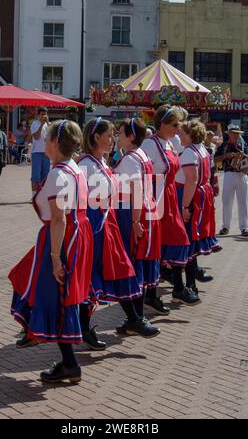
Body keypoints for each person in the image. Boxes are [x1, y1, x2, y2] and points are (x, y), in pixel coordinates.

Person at [9, 120, 94, 384]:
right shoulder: (74, 169)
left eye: (47, 139)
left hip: (61, 238)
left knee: (57, 294)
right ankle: (36, 330)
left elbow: (59, 219)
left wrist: (56, 258)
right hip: (75, 234)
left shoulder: (59, 174)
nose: (43, 142)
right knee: (31, 280)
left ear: (57, 143)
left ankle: (68, 362)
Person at [79, 117, 160, 347]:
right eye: (109, 135)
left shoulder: (102, 162)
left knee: (120, 270)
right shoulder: (85, 164)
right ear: (96, 137)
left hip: (107, 224)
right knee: (92, 277)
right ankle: (91, 328)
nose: (113, 139)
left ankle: (133, 319)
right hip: (94, 225)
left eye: (116, 134)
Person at [142, 105, 200, 306]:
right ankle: (163, 290)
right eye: (175, 124)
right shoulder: (149, 145)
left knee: (176, 240)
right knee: (160, 244)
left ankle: (174, 287)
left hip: (170, 196)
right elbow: (143, 174)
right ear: (163, 124)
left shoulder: (171, 142)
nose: (178, 128)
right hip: (156, 198)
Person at [114, 118, 169, 324]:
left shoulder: (130, 159)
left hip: (133, 212)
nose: (118, 137)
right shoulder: (140, 155)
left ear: (131, 136)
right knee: (140, 262)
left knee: (134, 261)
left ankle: (136, 317)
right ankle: (136, 316)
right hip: (146, 209)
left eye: (121, 133)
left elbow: (135, 190)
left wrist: (135, 222)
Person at [175, 119, 222, 294]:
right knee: (191, 241)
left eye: (182, 133)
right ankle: (192, 281)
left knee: (186, 241)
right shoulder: (202, 149)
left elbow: (191, 180)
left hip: (190, 196)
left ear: (191, 134)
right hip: (202, 194)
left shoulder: (188, 152)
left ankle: (188, 285)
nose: (179, 135)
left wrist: (185, 206)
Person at [215, 124, 248, 237]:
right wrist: (226, 155)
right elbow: (215, 159)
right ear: (229, 134)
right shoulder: (224, 146)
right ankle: (225, 227)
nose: (235, 135)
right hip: (229, 174)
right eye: (233, 133)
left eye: (237, 133)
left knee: (243, 202)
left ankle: (244, 228)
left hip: (242, 175)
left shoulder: (243, 144)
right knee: (227, 202)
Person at [31, 108, 51, 196]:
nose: (43, 116)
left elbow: (52, 137)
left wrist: (47, 124)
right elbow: (36, 137)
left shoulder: (49, 125)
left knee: (45, 176)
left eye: (45, 114)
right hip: (36, 152)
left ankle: (42, 195)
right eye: (42, 114)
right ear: (38, 115)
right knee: (36, 176)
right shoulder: (34, 124)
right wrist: (42, 125)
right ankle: (34, 195)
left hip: (47, 153)